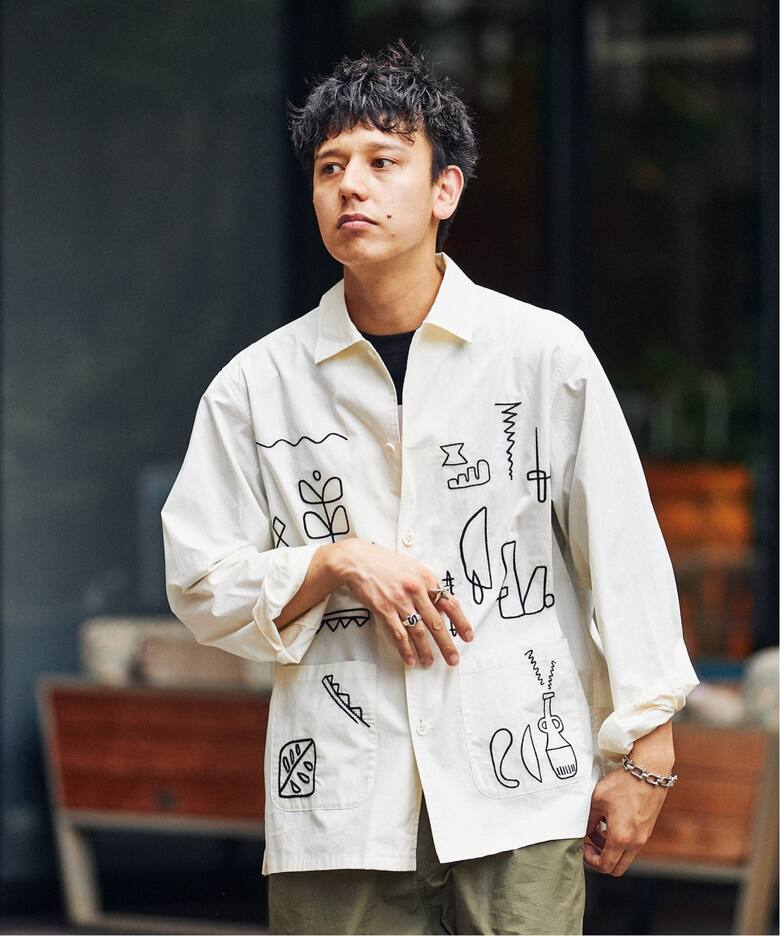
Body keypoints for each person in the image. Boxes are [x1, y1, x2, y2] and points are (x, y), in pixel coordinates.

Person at [161, 38, 699, 936]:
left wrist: (646, 752)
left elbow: (624, 554)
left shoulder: (542, 356)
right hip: (342, 799)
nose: (351, 186)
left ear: (444, 189)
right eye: (330, 167)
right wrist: (333, 561)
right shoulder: (256, 387)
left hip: (519, 780)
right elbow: (198, 579)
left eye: (383, 161)